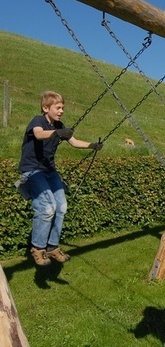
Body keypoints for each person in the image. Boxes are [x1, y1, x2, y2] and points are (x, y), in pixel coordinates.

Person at [18, 91, 103, 266]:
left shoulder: (59, 125)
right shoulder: (38, 121)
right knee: (47, 208)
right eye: (58, 107)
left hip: (49, 170)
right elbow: (39, 134)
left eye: (62, 107)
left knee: (61, 207)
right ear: (45, 108)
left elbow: (74, 141)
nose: (61, 111)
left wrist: (93, 145)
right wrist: (57, 133)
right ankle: (37, 248)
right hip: (32, 170)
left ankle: (52, 247)